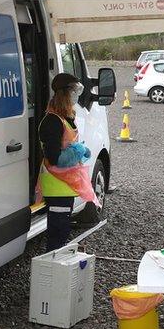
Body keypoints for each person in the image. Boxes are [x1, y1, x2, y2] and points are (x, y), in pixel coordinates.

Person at [36, 73, 101, 251]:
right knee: (57, 234)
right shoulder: (52, 122)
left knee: (63, 231)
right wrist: (78, 151)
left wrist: (76, 150)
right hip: (56, 186)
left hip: (65, 185)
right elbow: (54, 158)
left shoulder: (65, 118)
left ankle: (59, 266)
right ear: (64, 93)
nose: (77, 95)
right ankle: (53, 270)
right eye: (75, 90)